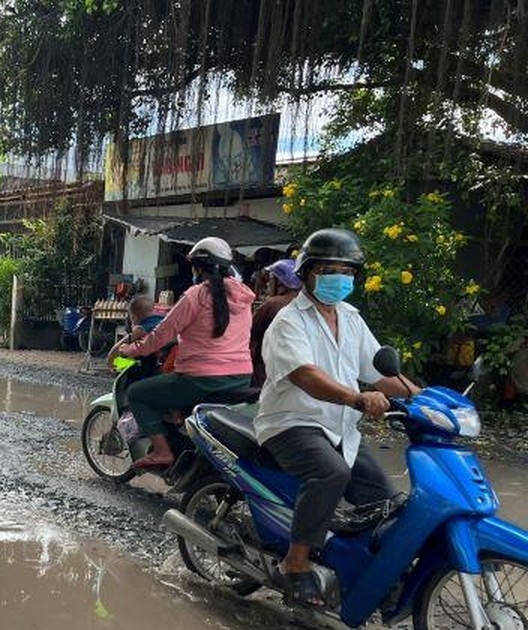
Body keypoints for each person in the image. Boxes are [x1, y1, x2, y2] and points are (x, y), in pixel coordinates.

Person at [255, 228, 420, 608]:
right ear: (308, 273)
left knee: (387, 499)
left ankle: (364, 569)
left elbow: (379, 372)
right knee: (331, 473)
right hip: (291, 422)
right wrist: (356, 397)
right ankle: (294, 564)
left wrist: (421, 397)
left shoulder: (350, 317)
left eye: (346, 271)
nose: (338, 278)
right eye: (328, 269)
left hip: (339, 427)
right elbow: (305, 376)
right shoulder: (288, 321)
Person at [109, 237, 254, 468]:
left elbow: (161, 335)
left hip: (201, 379)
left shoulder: (196, 295)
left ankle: (162, 451)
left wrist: (131, 350)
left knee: (137, 393)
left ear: (197, 268)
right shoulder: (244, 297)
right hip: (241, 377)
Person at [250, 258, 302, 387]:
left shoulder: (272, 304)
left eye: (270, 280)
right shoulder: (306, 303)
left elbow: (251, 334)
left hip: (266, 371)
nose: (267, 284)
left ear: (280, 283)